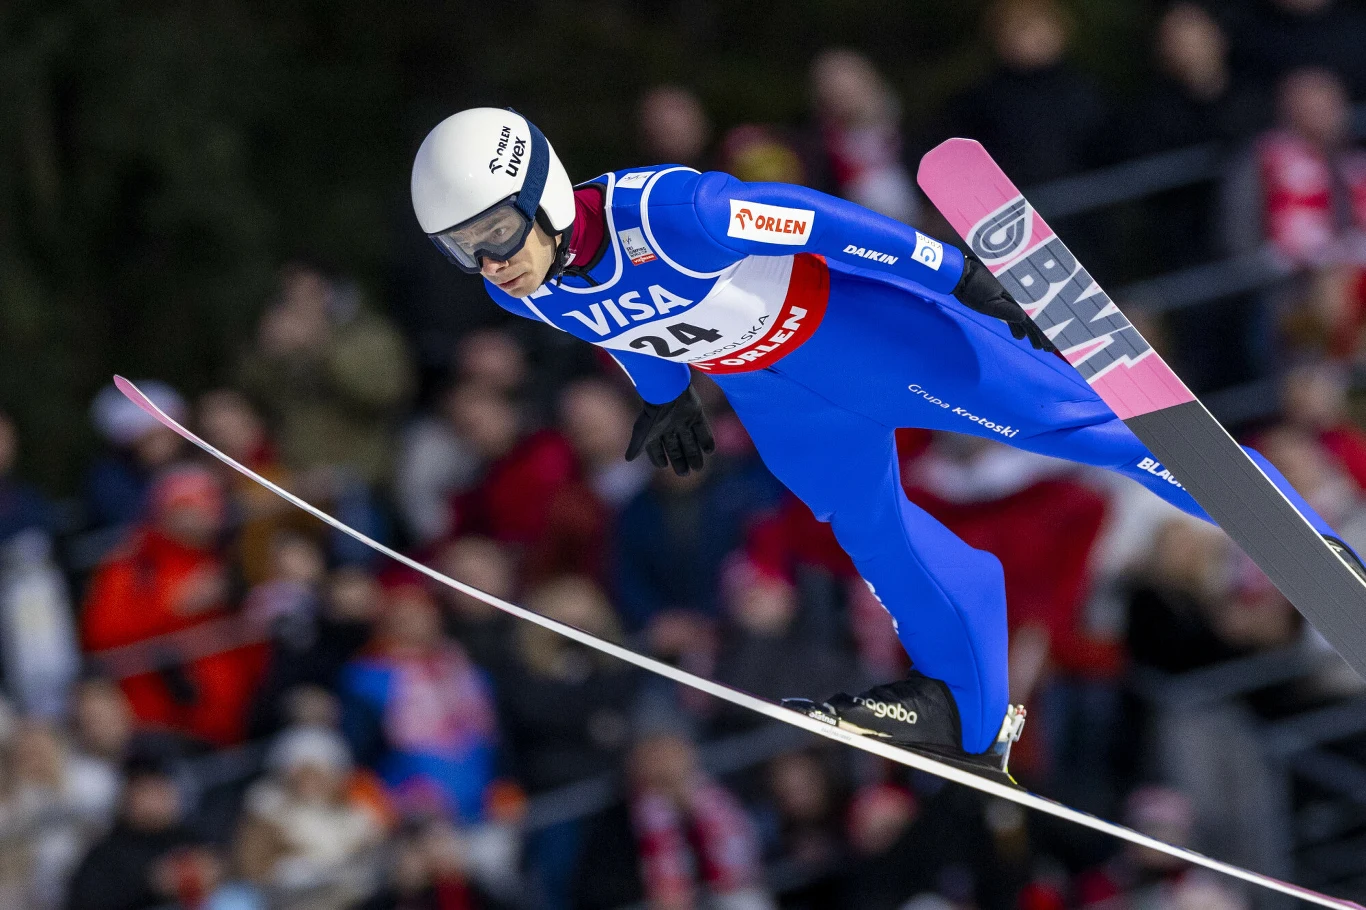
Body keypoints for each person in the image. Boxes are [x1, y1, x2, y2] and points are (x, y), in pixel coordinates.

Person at [407, 107, 1364, 770]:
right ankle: (969, 707)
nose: (487, 261)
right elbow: (615, 328)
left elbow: (823, 223)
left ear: (538, 189)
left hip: (869, 334)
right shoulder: (521, 289)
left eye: (492, 231)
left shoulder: (671, 213)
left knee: (1098, 430)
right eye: (463, 248)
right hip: (777, 396)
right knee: (876, 537)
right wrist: (665, 397)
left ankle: (1310, 547)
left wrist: (959, 274)